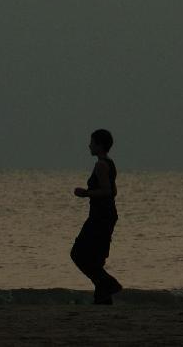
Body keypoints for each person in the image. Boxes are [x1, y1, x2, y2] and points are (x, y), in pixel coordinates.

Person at [71, 129, 123, 305]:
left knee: (78, 253)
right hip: (106, 215)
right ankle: (103, 299)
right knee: (96, 258)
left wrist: (86, 193)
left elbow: (108, 191)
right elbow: (114, 191)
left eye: (92, 142)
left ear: (99, 145)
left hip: (101, 217)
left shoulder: (101, 165)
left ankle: (109, 284)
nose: (89, 145)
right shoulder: (110, 163)